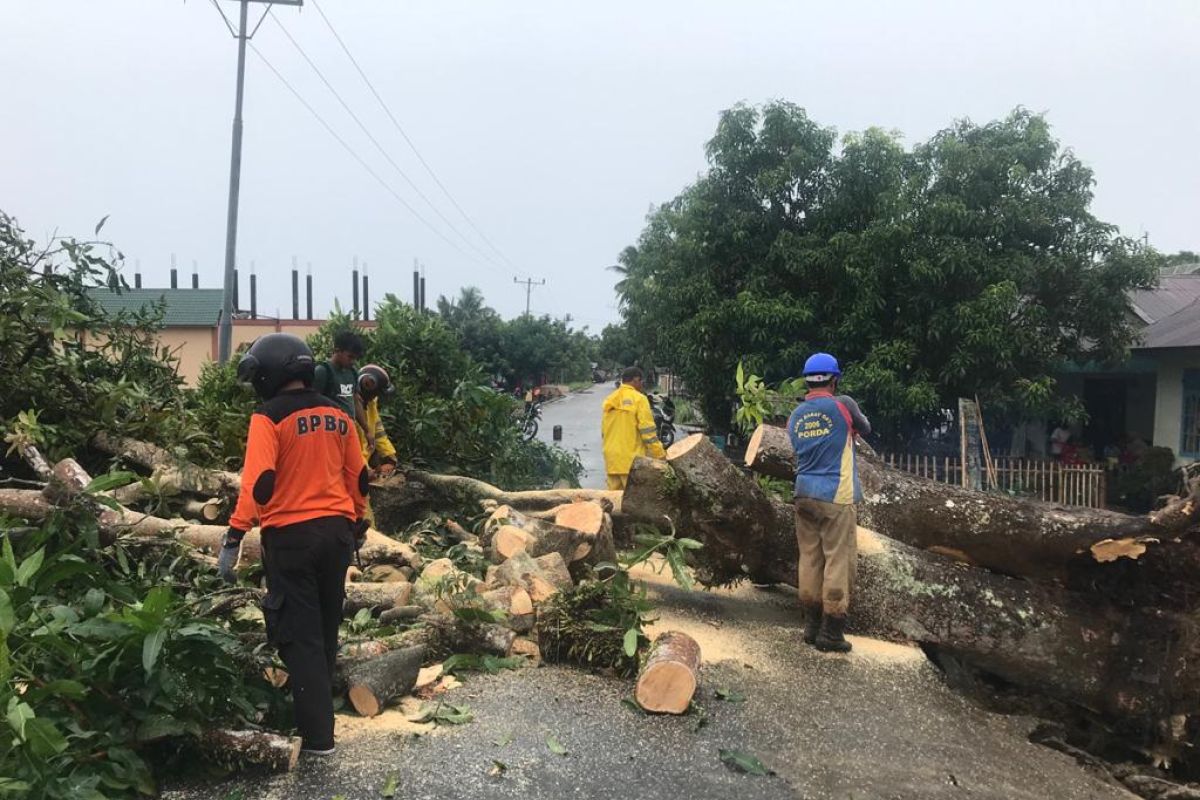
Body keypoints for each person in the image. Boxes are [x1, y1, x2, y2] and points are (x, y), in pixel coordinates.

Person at [219, 333, 368, 756]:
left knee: (298, 635)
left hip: (291, 539)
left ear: (269, 373)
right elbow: (358, 475)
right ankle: (319, 717)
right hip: (338, 534)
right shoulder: (338, 414)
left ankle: (319, 739)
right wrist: (359, 517)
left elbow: (258, 485)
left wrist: (234, 535)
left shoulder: (268, 417)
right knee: (324, 628)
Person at [787, 352, 871, 653]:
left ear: (807, 380)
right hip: (836, 495)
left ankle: (810, 626)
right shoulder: (844, 404)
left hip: (803, 493)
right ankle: (832, 632)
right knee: (838, 559)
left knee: (809, 558)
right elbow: (866, 428)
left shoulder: (796, 415)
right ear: (834, 380)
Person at [601, 366, 666, 490]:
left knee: (612, 503)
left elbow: (604, 432)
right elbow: (648, 433)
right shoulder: (639, 399)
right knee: (634, 504)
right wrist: (660, 454)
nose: (642, 384)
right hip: (631, 462)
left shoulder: (610, 400)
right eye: (641, 381)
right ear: (635, 380)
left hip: (612, 460)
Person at [314, 331, 374, 455]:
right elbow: (312, 404)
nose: (353, 361)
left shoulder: (352, 372)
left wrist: (367, 430)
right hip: (328, 434)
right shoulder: (323, 371)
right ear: (337, 351)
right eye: (350, 357)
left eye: (355, 358)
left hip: (348, 431)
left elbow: (355, 401)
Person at [357, 364, 398, 478]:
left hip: (364, 461)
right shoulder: (347, 407)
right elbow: (349, 447)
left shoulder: (371, 403)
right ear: (368, 386)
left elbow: (378, 431)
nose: (376, 396)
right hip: (351, 466)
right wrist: (364, 469)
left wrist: (389, 455)